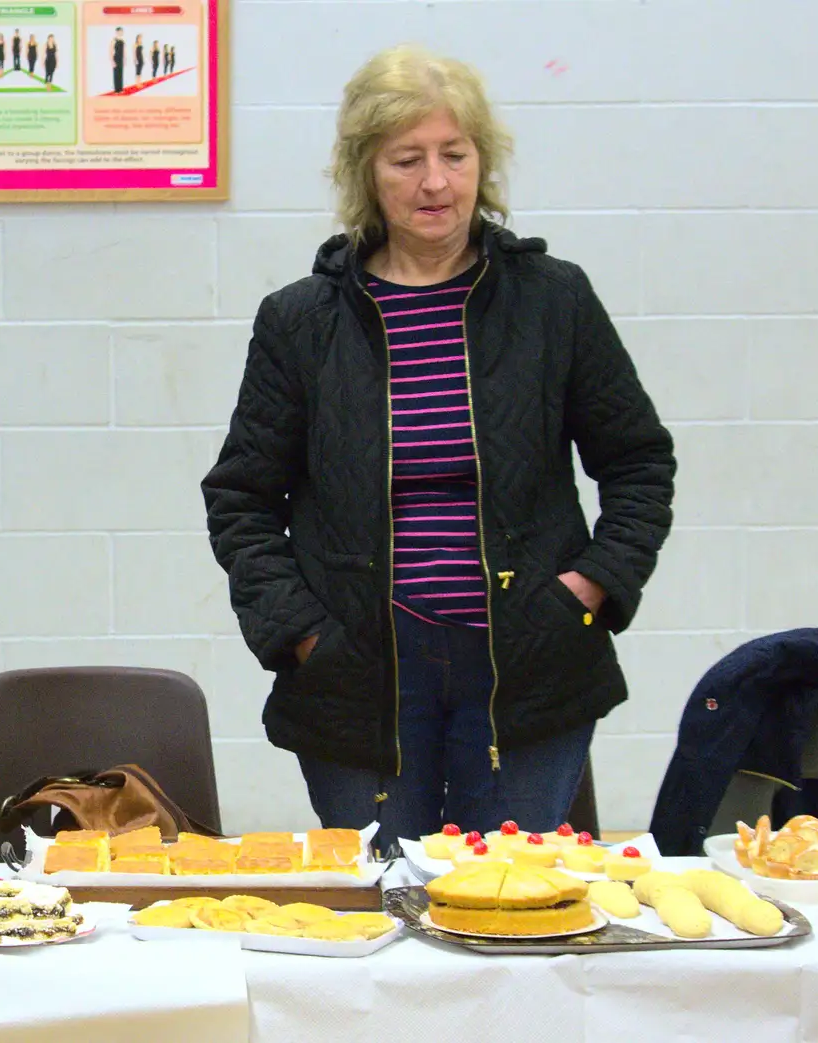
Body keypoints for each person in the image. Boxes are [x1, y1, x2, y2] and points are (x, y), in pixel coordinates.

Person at [201, 45, 675, 856]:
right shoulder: (300, 322)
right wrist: (305, 633)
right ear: (366, 173)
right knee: (388, 907)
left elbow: (638, 463)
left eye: (454, 155)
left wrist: (586, 590)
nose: (435, 183)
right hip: (360, 669)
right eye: (407, 159)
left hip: (530, 652)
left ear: (481, 162)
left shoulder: (554, 300)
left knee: (516, 903)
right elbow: (241, 499)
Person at [111, 27, 125, 93]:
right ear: (117, 32)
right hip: (116, 58)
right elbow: (110, 51)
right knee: (116, 74)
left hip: (121, 59)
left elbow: (124, 51)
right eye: (120, 31)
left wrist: (125, 59)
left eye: (122, 31)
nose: (121, 32)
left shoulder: (122, 41)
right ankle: (116, 90)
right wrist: (112, 61)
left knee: (121, 73)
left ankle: (121, 89)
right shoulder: (114, 40)